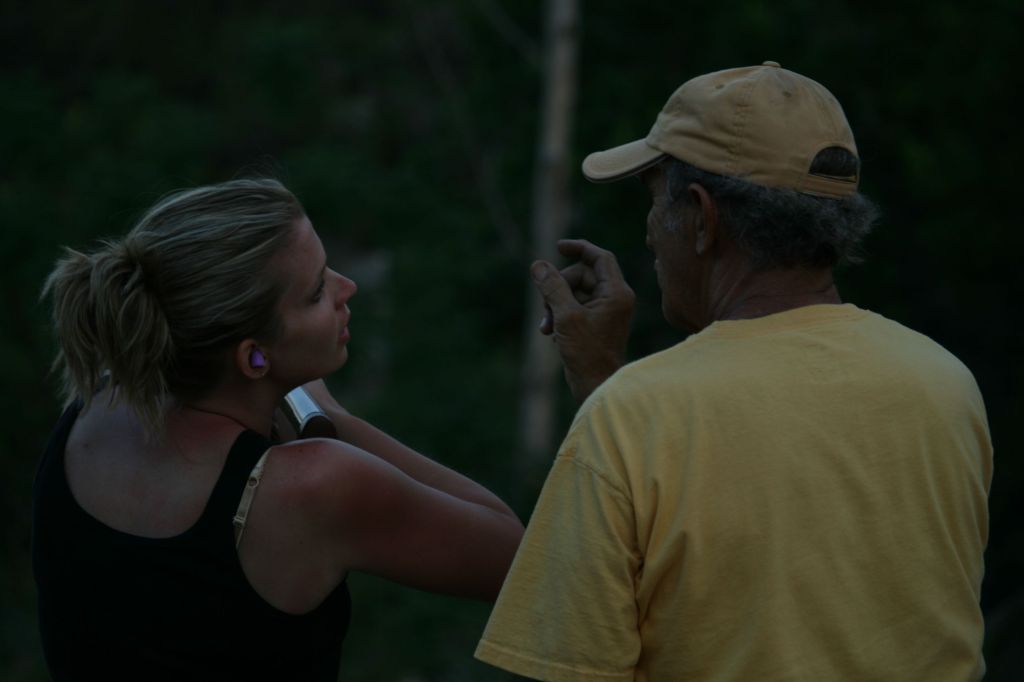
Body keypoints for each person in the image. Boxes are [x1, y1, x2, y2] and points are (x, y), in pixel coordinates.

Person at [476, 62, 992, 681]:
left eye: (653, 200)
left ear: (702, 218)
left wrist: (607, 398)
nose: (649, 233)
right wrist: (604, 380)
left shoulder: (632, 416)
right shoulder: (945, 384)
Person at [33, 177, 524, 681]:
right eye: (316, 292)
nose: (346, 288)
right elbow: (517, 560)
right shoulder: (309, 486)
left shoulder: (95, 406)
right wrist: (334, 418)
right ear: (254, 357)